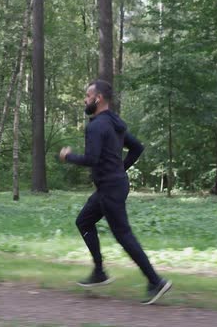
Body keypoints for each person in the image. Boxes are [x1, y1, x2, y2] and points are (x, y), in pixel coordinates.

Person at [59, 80, 172, 305]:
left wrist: (67, 156)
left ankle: (155, 281)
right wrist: (120, 168)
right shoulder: (114, 123)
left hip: (110, 188)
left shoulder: (96, 126)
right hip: (113, 186)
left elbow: (92, 159)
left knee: (123, 234)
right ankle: (99, 271)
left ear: (98, 98)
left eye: (87, 95)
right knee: (84, 221)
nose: (85, 99)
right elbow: (137, 148)